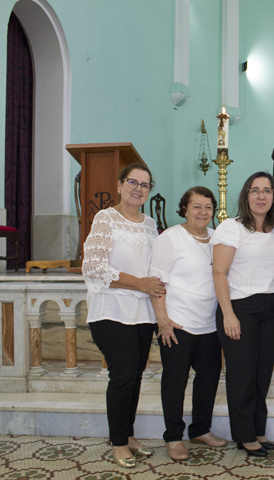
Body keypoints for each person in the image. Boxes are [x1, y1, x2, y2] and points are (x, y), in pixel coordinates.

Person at [82, 164, 165, 469]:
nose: (138, 189)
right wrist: (139, 283)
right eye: (133, 182)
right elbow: (94, 267)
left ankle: (127, 435)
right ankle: (118, 443)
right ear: (119, 185)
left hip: (142, 313)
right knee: (123, 376)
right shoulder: (106, 218)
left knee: (135, 376)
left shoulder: (150, 224)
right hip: (111, 310)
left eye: (144, 185)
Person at [212, 172, 274, 457]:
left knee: (261, 375)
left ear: (273, 197)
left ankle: (257, 429)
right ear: (246, 195)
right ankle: (244, 435)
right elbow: (219, 272)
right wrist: (228, 314)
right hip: (239, 308)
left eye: (267, 190)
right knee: (242, 375)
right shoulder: (232, 228)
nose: (261, 196)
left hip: (269, 310)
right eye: (255, 190)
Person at [149, 187, 227, 461]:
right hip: (178, 324)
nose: (203, 212)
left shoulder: (217, 238)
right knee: (175, 381)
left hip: (209, 324)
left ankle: (200, 430)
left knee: (208, 379)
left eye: (208, 207)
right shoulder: (170, 238)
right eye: (196, 206)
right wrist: (163, 320)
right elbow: (156, 282)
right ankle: (173, 437)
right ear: (184, 209)